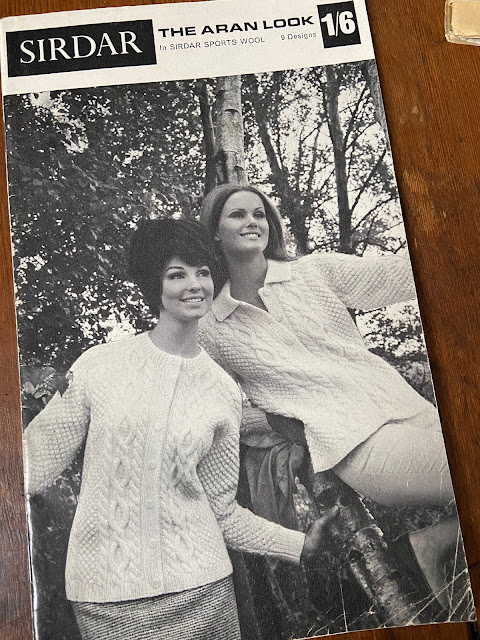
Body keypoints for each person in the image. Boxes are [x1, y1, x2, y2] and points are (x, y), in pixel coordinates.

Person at [23, 218, 337, 640]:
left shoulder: (222, 389)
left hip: (205, 595)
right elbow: (29, 465)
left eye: (202, 272)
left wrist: (299, 545)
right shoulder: (99, 366)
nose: (194, 285)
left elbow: (221, 511)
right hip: (106, 600)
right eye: (177, 274)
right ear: (155, 285)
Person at [198, 183, 459, 612]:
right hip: (355, 443)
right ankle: (429, 546)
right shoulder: (211, 325)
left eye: (260, 214)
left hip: (408, 409)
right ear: (214, 232)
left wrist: (453, 224)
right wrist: (285, 428)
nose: (252, 222)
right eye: (237, 215)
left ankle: (432, 545)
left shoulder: (311, 272)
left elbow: (397, 274)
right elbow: (218, 408)